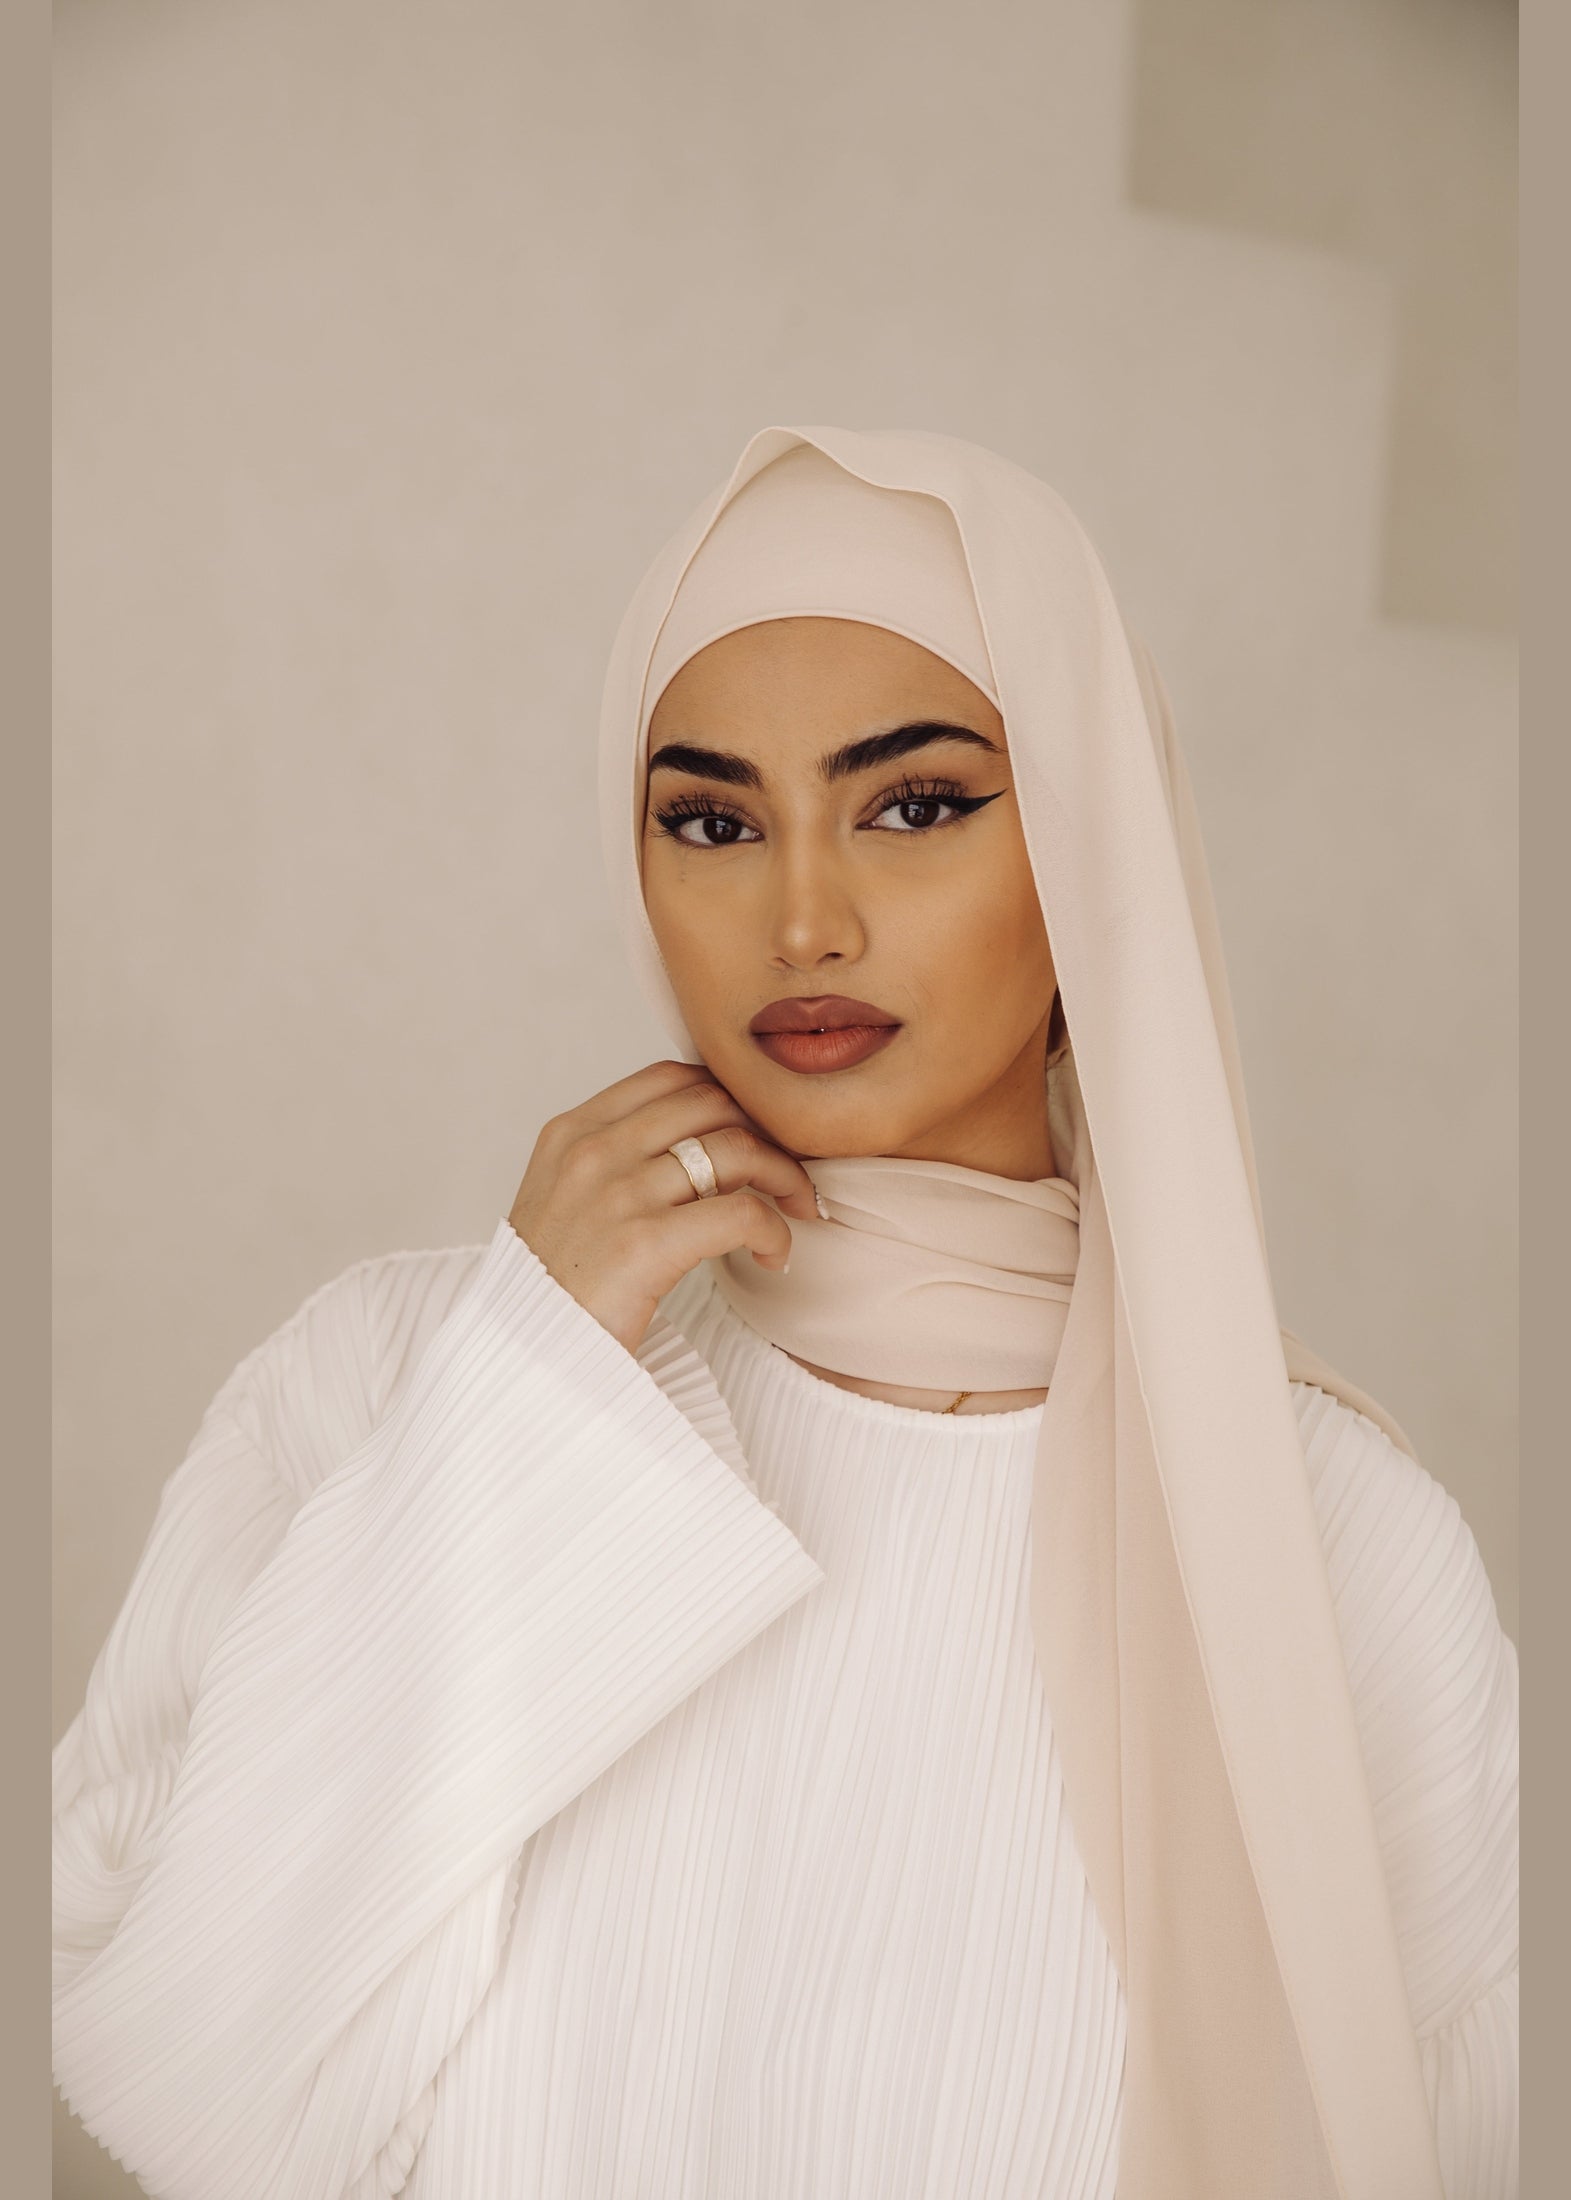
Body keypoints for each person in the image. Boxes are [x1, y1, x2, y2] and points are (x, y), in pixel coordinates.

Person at [52, 427, 1518, 2200]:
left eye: (916, 806)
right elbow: (176, 2085)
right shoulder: (391, 1382)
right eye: (713, 822)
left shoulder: (1333, 1540)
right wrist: (520, 1396)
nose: (803, 920)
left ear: (1090, 844)